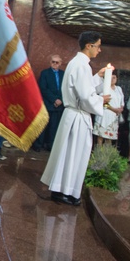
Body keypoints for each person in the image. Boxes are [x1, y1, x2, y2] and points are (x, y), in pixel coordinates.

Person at [40, 31, 110, 206]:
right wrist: (102, 100)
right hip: (78, 117)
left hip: (72, 114)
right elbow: (85, 96)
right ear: (89, 45)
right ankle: (66, 191)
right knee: (73, 155)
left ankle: (60, 190)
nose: (99, 50)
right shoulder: (81, 65)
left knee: (67, 154)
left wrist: (98, 77)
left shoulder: (77, 63)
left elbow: (82, 87)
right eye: (98, 46)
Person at [36, 54, 65, 150]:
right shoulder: (45, 73)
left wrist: (60, 99)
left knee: (54, 127)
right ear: (50, 62)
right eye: (53, 62)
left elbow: (66, 89)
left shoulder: (63, 74)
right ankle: (38, 145)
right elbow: (43, 88)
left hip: (59, 105)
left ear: (60, 63)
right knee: (42, 126)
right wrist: (54, 99)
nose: (55, 64)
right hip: (48, 104)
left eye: (57, 62)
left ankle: (50, 146)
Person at [93, 71, 124, 145]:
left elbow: (122, 101)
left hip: (114, 116)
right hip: (104, 114)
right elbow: (102, 102)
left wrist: (121, 108)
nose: (112, 79)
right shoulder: (103, 88)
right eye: (110, 78)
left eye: (114, 77)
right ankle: (98, 154)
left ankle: (107, 155)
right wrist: (113, 109)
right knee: (101, 136)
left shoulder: (119, 89)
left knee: (110, 137)